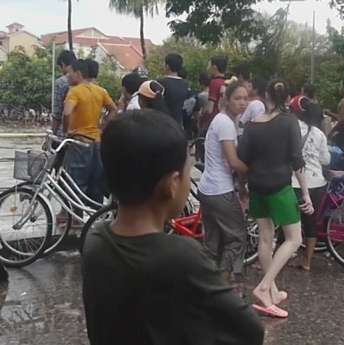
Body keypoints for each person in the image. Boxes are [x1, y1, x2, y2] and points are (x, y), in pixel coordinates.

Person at [82, 110, 265, 345]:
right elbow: (250, 330)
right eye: (188, 172)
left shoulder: (95, 242)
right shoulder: (182, 255)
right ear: (172, 184)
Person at [238, 80, 313, 318]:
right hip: (279, 185)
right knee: (294, 239)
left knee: (265, 239)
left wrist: (243, 186)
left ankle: (273, 291)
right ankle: (263, 286)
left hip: (257, 185)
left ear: (266, 96)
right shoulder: (289, 121)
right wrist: (305, 193)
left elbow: (244, 159)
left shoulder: (251, 125)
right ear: (288, 97)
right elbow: (296, 159)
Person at [198, 82, 250, 282]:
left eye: (245, 98)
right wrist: (254, 170)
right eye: (237, 98)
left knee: (213, 241)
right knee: (237, 236)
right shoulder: (225, 123)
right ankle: (223, 283)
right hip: (220, 190)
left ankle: (209, 284)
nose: (242, 103)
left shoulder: (225, 121)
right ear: (226, 100)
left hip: (208, 188)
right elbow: (233, 161)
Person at [63, 59, 118, 203]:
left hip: (80, 142)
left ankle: (76, 219)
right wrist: (103, 125)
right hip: (97, 141)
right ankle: (94, 217)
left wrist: (67, 130)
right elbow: (114, 110)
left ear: (78, 73)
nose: (68, 76)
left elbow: (67, 113)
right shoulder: (100, 91)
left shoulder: (75, 92)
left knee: (76, 183)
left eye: (70, 72)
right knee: (96, 183)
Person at [288, 95, 330, 271]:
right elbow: (326, 160)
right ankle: (307, 261)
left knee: (288, 222)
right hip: (317, 183)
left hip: (295, 183)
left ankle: (280, 256)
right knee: (311, 223)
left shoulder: (291, 128)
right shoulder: (319, 133)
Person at [51, 50, 77, 137]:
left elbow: (57, 114)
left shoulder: (60, 82)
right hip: (81, 134)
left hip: (63, 135)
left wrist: (51, 137)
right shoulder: (88, 83)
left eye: (60, 67)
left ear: (63, 64)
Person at [160, 53, 190, 129]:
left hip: (162, 122)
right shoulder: (185, 84)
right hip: (178, 123)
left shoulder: (160, 82)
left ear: (167, 66)